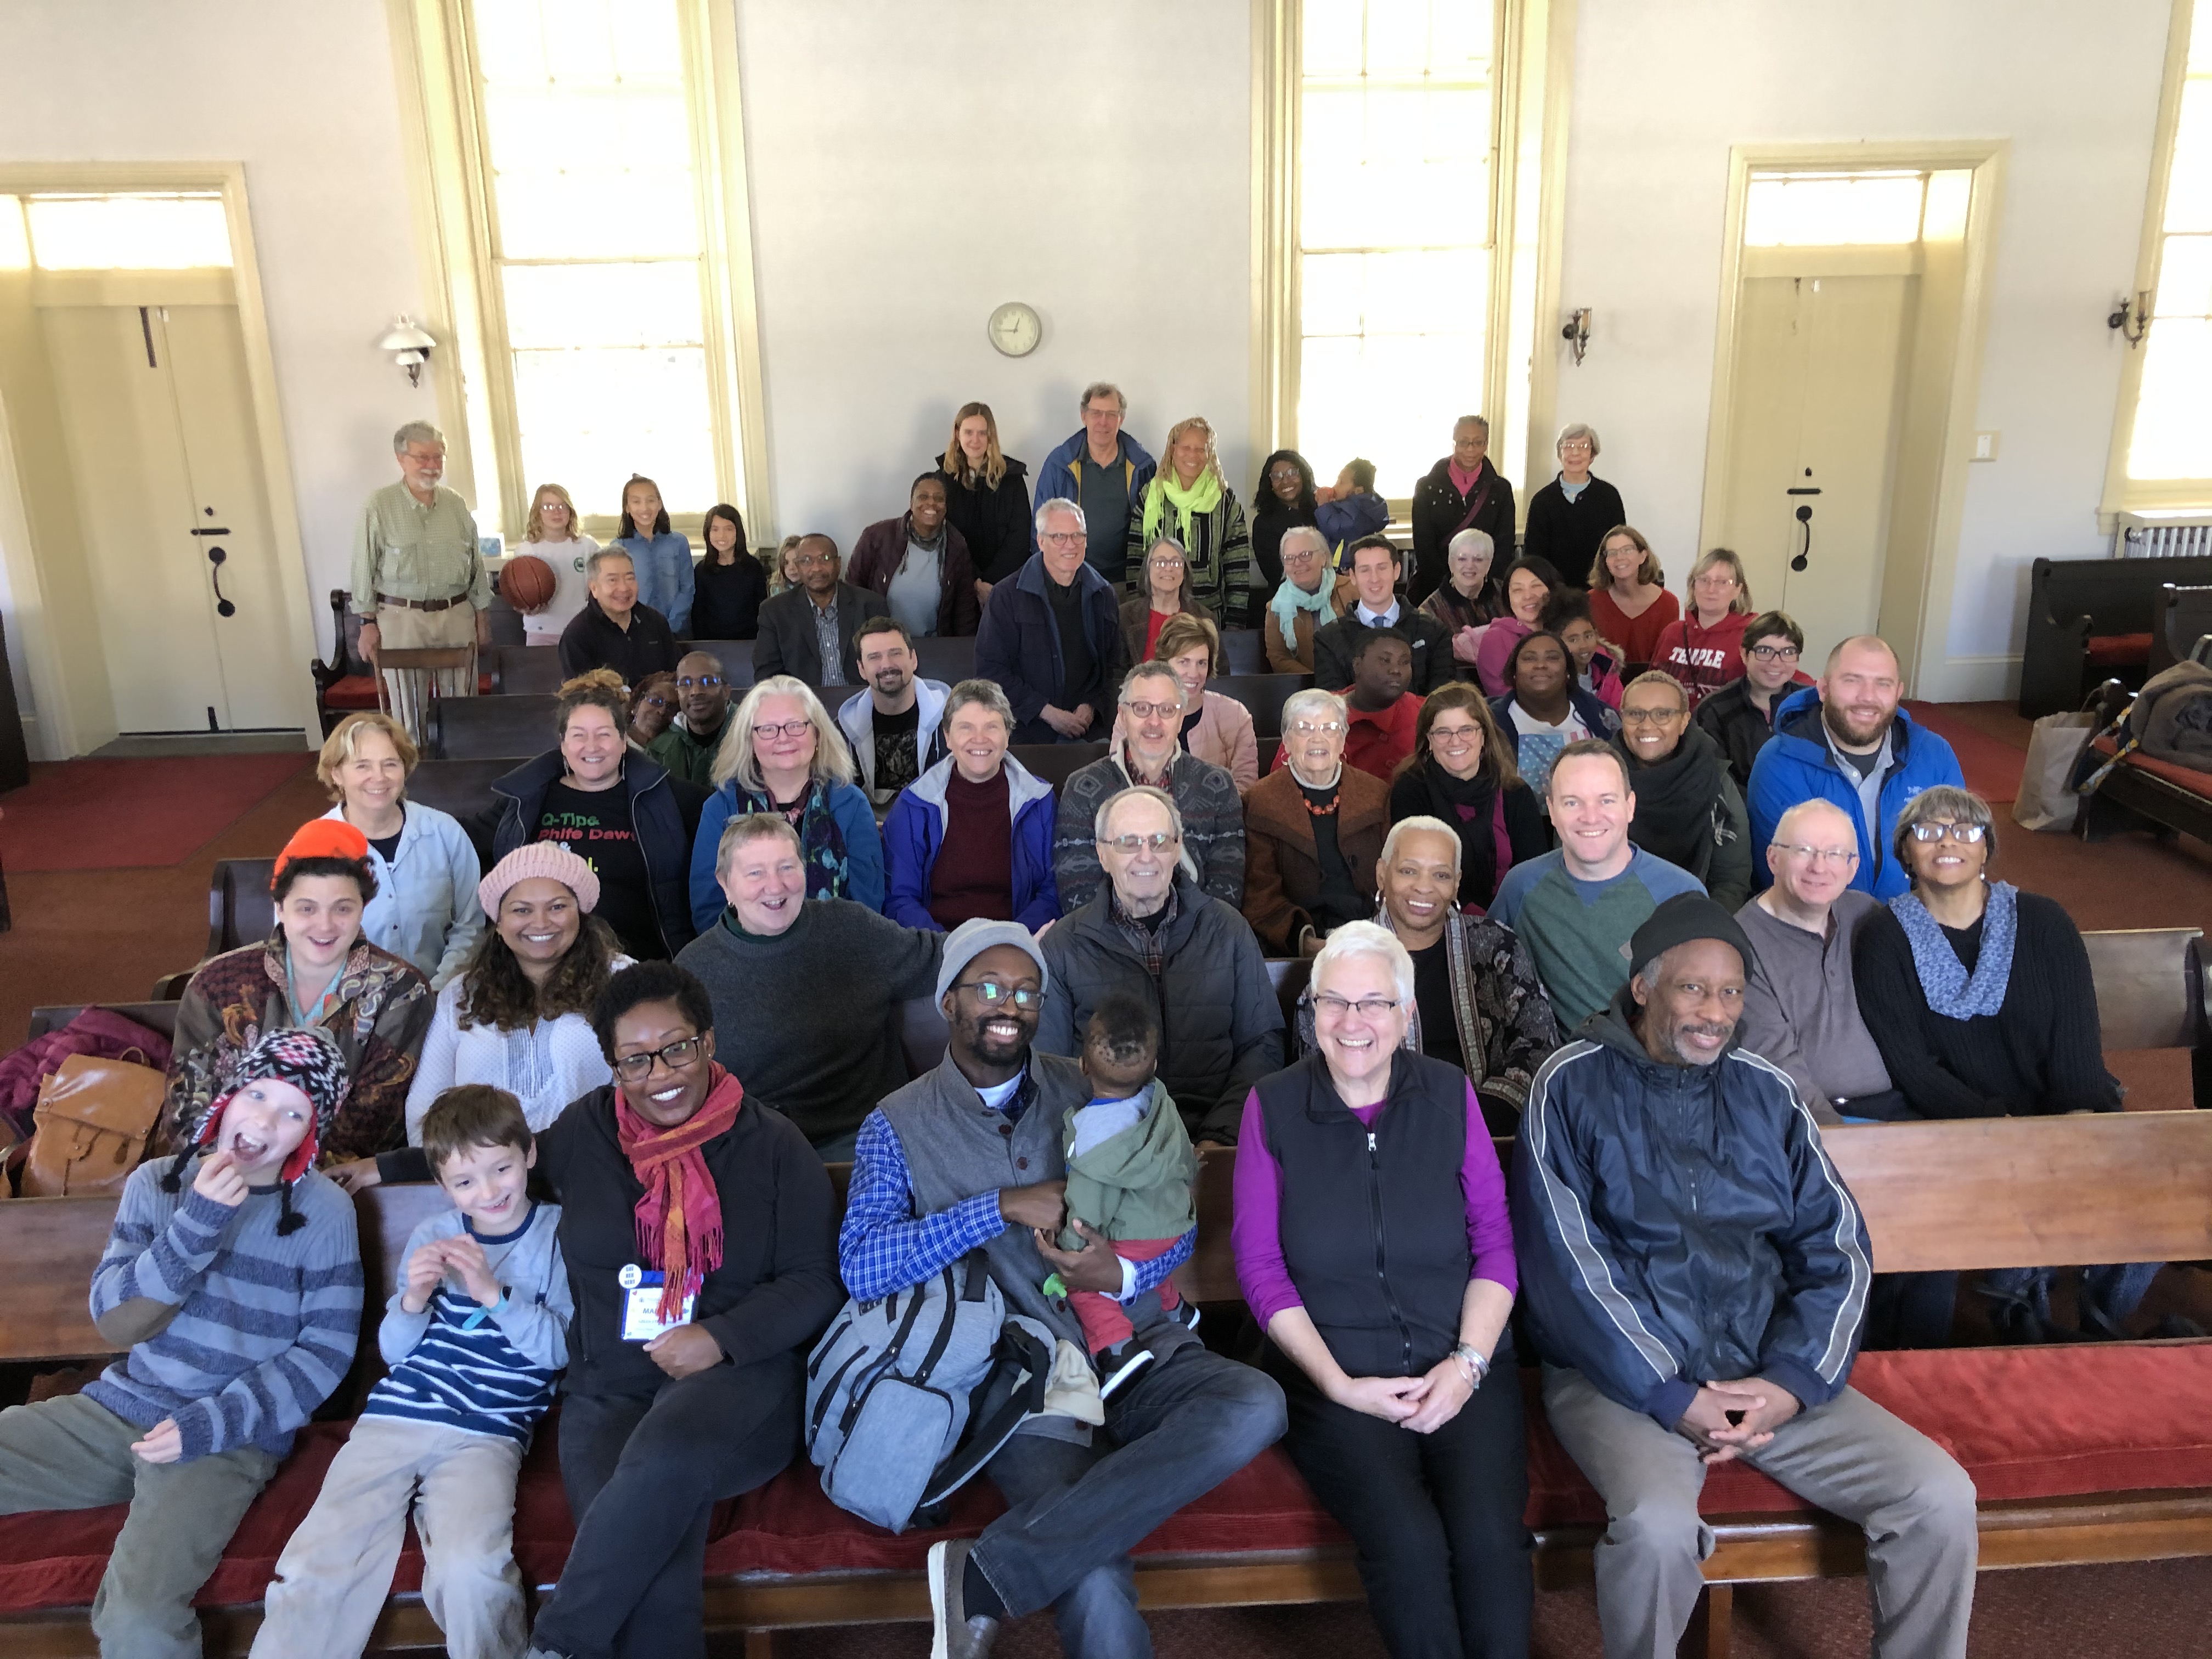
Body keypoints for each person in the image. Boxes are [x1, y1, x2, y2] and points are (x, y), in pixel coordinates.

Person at [1514, 894, 1978, 1659]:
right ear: (1642, 988)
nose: (1716, 1012)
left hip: (1767, 1373)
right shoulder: (1568, 1086)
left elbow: (1837, 1250)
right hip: (1624, 1384)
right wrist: (1674, 1394)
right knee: (1658, 1530)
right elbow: (1569, 1271)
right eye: (1693, 988)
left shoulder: (1767, 1091)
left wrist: (1791, 1383)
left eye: (1731, 992)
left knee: (1938, 1496)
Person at [840, 919, 1285, 1659]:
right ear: (949, 1001)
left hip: (1141, 1342)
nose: (1007, 1003)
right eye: (988, 987)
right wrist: (998, 1209)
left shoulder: (1101, 1082)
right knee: (1093, 1573)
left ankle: (986, 1574)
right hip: (1028, 1385)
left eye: (1025, 990)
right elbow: (863, 1265)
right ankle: (1059, 1538)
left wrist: (1124, 1273)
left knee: (1256, 1404)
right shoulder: (897, 1124)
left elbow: (1174, 1215)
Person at [0, 1029, 363, 1658]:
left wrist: (208, 1425)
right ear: (228, 1098)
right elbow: (117, 1323)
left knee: (137, 1619)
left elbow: (323, 1355)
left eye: (293, 1111)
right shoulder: (157, 1185)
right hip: (121, 1410)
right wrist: (197, 1224)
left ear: (310, 1133)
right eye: (257, 1094)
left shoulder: (325, 1213)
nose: (265, 1120)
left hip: (225, 1438)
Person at [523, 962, 840, 1658]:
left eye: (677, 1047)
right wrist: (382, 1169)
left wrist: (719, 1338)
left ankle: (556, 1645)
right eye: (635, 1060)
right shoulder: (583, 1134)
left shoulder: (774, 1144)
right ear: (612, 1067)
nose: (660, 1073)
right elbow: (493, 1158)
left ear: (708, 1042)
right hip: (608, 1386)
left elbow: (816, 1282)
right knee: (648, 1538)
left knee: (661, 1466)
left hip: (740, 1379)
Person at [1233, 921, 1531, 1658]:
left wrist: (1467, 1366)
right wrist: (1337, 1385)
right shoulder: (1271, 1107)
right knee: (1408, 1545)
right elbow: (1260, 1267)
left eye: (1375, 1004)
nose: (1354, 1022)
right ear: (1312, 1014)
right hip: (1333, 1376)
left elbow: (1495, 1247)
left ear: (1405, 1016)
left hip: (1462, 1362)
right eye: (1335, 1003)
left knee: (1492, 1543)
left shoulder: (1449, 1094)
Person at [251, 1085, 568, 1659]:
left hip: (488, 1432)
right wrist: (414, 1300)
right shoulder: (433, 1235)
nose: (490, 1191)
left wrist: (495, 1296)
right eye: (466, 1182)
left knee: (472, 1567)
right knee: (313, 1563)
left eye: (502, 1168)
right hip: (395, 1419)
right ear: (444, 1187)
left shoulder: (555, 1236)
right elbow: (396, 1353)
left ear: (529, 1156)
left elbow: (556, 1351)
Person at [1853, 787, 2154, 1343]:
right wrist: (2000, 1126)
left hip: (2065, 1108)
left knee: (2149, 1185)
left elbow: (2077, 1042)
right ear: (1905, 853)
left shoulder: (2043, 922)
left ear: (1986, 849)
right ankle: (2020, 1308)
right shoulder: (1885, 938)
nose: (1948, 841)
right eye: (1928, 832)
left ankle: (2104, 1314)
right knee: (2007, 1188)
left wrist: (2075, 1117)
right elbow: (1912, 1067)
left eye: (1966, 831)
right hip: (1964, 1122)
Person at [167, 820, 434, 1164]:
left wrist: (279, 1174)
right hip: (217, 1169)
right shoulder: (219, 982)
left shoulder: (401, 991)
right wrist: (230, 1169)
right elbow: (188, 1102)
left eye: (343, 908)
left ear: (363, 910)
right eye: (307, 908)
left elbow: (375, 1122)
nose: (325, 925)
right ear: (280, 909)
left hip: (333, 1180)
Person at [679, 814, 942, 1159]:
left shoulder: (849, 926)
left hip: (873, 1138)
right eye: (755, 873)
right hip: (760, 1151)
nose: (775, 887)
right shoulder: (692, 971)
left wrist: (1020, 944)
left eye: (787, 867)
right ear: (725, 884)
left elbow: (943, 955)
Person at [1039, 786, 1284, 1144]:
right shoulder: (1063, 944)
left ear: (1177, 849)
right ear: (1103, 855)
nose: (1146, 856)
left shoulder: (1227, 928)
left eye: (1158, 841)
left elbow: (1262, 1044)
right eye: (1127, 842)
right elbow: (1051, 1068)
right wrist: (1117, 1143)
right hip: (1111, 1149)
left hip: (1218, 1135)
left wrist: (1222, 1136)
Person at [399, 842, 628, 1153]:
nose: (541, 923)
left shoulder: (623, 981)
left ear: (582, 913)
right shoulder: (461, 995)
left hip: (596, 1168)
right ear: (499, 924)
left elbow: (645, 1085)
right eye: (521, 910)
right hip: (483, 1182)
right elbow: (425, 1109)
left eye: (558, 907)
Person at [489, 670, 708, 962]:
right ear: (563, 744)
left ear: (623, 740)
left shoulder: (665, 796)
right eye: (579, 736)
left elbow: (728, 825)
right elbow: (458, 840)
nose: (592, 747)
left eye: (604, 735)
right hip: (549, 960)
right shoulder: (525, 799)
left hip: (641, 961)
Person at [1488, 742, 1706, 1030]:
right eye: (1572, 802)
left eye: (1606, 800)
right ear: (1551, 811)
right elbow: (1487, 978)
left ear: (1630, 806)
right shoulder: (1521, 887)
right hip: (1555, 1066)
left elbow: (1702, 1006)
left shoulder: (1681, 895)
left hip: (1650, 1064)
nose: (1590, 817)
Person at [1369, 819, 1560, 1135]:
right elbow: (1321, 1056)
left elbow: (1539, 1041)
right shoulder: (1346, 956)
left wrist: (1472, 1122)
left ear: (1456, 883)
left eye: (1441, 875)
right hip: (1384, 1142)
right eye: (1409, 870)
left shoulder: (1496, 945)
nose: (1424, 886)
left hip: (1489, 1132)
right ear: (1382, 874)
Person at [1055, 994, 1201, 1395]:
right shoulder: (1160, 1101)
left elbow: (1086, 1210)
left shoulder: (1089, 1140)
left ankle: (1119, 1350)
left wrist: (1072, 1251)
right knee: (1152, 1257)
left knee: (1084, 1286)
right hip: (1179, 1226)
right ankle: (1177, 1311)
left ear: (1083, 1066)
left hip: (1137, 1244)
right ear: (1153, 1065)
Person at [1747, 635, 1965, 899]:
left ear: (1898, 693)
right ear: (1824, 689)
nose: (1868, 697)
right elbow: (1782, 877)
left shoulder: (1933, 755)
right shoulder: (1780, 762)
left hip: (1914, 922)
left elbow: (1956, 857)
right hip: (1818, 925)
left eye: (1883, 684)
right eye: (1852, 681)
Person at [1735, 799, 1896, 1126]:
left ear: (1853, 868)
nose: (1819, 867)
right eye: (1803, 850)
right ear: (1773, 859)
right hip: (1822, 1120)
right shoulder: (1740, 944)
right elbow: (1777, 1067)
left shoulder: (1867, 915)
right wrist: (1838, 1139)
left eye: (1836, 854)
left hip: (1903, 1106)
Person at [687, 675, 883, 928]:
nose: (783, 738)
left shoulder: (850, 803)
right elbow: (708, 910)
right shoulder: (721, 808)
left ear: (817, 735)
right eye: (768, 729)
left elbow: (869, 907)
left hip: (837, 955)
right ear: (750, 742)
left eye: (796, 725)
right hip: (745, 957)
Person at [1053, 662, 1245, 913]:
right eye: (1142, 708)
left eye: (1167, 709)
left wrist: (1183, 940)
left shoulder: (1218, 785)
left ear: (1181, 717)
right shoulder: (1082, 788)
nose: (1154, 721)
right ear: (1123, 715)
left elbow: (1227, 890)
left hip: (1199, 941)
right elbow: (1078, 894)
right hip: (1108, 943)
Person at [317, 711, 483, 992]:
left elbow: (469, 927)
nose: (379, 777)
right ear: (337, 774)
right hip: (345, 1004)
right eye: (362, 766)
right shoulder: (315, 845)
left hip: (439, 998)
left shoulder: (444, 831)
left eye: (390, 764)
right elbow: (301, 941)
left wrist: (435, 993)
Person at [351, 420, 491, 744]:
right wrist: (366, 623)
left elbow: (476, 566)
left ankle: (461, 774)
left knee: (462, 709)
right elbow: (363, 566)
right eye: (422, 457)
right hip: (402, 620)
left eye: (438, 457)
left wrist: (482, 618)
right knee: (407, 716)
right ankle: (413, 781)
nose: (432, 465)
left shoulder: (456, 504)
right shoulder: (379, 505)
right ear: (401, 459)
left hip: (456, 615)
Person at [883, 679, 1060, 933]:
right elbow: (900, 900)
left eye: (992, 727)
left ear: (1008, 736)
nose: (980, 739)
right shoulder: (914, 804)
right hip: (936, 947)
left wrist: (1010, 941)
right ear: (947, 736)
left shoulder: (1040, 801)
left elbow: (1054, 891)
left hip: (1018, 943)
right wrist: (946, 947)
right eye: (966, 728)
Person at [1242, 688, 1389, 957]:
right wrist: (1306, 943)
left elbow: (1394, 873)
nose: (1317, 738)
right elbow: (1259, 894)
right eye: (1304, 728)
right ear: (1286, 740)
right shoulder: (1260, 802)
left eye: (1330, 728)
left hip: (1375, 935)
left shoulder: (1377, 795)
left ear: (1343, 739)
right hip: (1300, 944)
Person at [975, 499, 1128, 744]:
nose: (1070, 545)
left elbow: (1114, 666)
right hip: (1025, 731)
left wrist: (1092, 705)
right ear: (1041, 541)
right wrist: (1046, 712)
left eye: (1078, 535)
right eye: (1059, 536)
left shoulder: (1104, 594)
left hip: (1088, 731)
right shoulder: (1007, 596)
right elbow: (991, 671)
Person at [1386, 684, 1548, 912]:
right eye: (1443, 732)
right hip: (1437, 917)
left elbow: (1533, 877)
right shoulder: (1411, 791)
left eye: (1466, 730)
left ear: (1484, 736)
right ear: (1429, 741)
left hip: (1512, 917)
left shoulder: (1515, 794)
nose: (1455, 741)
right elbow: (1417, 877)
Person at [1614, 670, 1753, 911]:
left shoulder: (1715, 780)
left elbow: (1731, 878)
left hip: (1697, 918)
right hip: (1612, 915)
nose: (1647, 725)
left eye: (1663, 714)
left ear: (1684, 721)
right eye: (1635, 714)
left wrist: (1700, 932)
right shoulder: (1600, 777)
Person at [1125, 415, 1253, 628]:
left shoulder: (1225, 501)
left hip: (1207, 616)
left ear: (1209, 454)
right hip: (1156, 613)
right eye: (1186, 447)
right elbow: (1136, 557)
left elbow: (1237, 567)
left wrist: (1235, 623)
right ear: (1173, 450)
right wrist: (1135, 611)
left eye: (1201, 449)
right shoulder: (1151, 496)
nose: (1192, 455)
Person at [1034, 381, 1159, 582]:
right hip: (1074, 579)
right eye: (1096, 413)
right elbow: (1039, 528)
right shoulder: (1059, 464)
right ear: (1084, 417)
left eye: (1111, 414)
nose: (1103, 422)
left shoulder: (1142, 466)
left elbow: (1154, 527)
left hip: (1127, 582)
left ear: (1122, 419)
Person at [1488, 628, 1620, 802]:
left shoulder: (1605, 718)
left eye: (1552, 657)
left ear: (1568, 671)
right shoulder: (1489, 723)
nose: (1541, 665)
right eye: (1529, 659)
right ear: (1514, 672)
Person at [1313, 535, 1453, 696]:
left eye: (1382, 568)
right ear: (1353, 576)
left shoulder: (1434, 631)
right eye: (1365, 570)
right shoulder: (1328, 639)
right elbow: (1334, 705)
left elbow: (1442, 700)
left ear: (1396, 571)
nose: (1374, 578)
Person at [847, 472, 981, 640]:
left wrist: (967, 651)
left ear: (946, 507)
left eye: (939, 498)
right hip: (882, 643)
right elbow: (853, 590)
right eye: (923, 497)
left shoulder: (957, 547)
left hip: (933, 646)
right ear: (911, 503)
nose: (931, 503)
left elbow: (965, 609)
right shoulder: (877, 536)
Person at [837, 616, 951, 806]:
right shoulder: (842, 732)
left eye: (895, 653)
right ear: (862, 669)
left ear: (913, 659)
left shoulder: (951, 719)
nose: (887, 665)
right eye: (874, 657)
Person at [1695, 610, 1813, 788]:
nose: (1776, 662)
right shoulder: (1714, 710)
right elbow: (1718, 783)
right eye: (1764, 651)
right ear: (1744, 655)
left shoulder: (1813, 705)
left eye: (1788, 652)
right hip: (1741, 812)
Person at [752, 533, 889, 688]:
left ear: (838, 564)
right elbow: (767, 673)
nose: (816, 568)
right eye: (806, 561)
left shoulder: (870, 605)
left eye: (824, 559)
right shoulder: (774, 612)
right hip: (803, 704)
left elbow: (886, 663)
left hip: (861, 700)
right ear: (797, 567)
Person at [1409, 414, 1516, 606]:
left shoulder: (1501, 489)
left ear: (1486, 444)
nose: (1470, 449)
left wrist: (1481, 586)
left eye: (1477, 443)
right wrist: (1449, 587)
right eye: (1463, 442)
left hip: (1485, 592)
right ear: (1454, 444)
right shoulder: (1426, 487)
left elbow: (1504, 544)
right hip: (1436, 589)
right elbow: (1424, 544)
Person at [936, 401, 1034, 594]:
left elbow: (1019, 538)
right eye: (969, 432)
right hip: (959, 584)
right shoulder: (942, 480)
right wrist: (975, 583)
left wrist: (990, 583)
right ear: (957, 434)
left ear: (991, 436)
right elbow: (945, 538)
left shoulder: (1012, 479)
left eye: (983, 433)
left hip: (1006, 584)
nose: (976, 440)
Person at [1155, 611, 1256, 791]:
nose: (1194, 673)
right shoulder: (1136, 712)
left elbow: (1246, 785)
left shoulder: (1236, 715)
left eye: (1201, 663)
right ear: (1165, 663)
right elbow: (1122, 777)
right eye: (1184, 662)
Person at [1520, 423, 1626, 592]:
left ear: (1593, 455)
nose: (1575, 453)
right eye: (1568, 446)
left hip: (1600, 591)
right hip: (1554, 594)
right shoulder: (1542, 501)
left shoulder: (1609, 496)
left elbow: (1618, 547)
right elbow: (1534, 557)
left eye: (1583, 447)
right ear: (1560, 454)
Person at [557, 547, 680, 685]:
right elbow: (581, 695)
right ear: (594, 588)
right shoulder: (577, 635)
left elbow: (674, 675)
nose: (624, 588)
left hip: (657, 704)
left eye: (630, 578)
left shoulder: (656, 621)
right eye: (612, 580)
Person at [1650, 547, 1754, 708]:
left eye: (1722, 582)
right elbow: (1651, 685)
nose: (1711, 589)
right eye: (1704, 580)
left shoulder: (1751, 636)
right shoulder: (1672, 633)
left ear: (1738, 590)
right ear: (1693, 586)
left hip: (1721, 729)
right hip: (1669, 725)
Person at [1265, 524, 1356, 675]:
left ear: (1323, 557)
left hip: (1353, 683)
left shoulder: (1351, 590)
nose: (1298, 563)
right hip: (1306, 689)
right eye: (1289, 558)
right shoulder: (1275, 608)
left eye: (1306, 555)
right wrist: (1317, 682)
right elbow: (1278, 658)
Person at [1585, 524, 1678, 672]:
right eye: (1612, 553)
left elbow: (1668, 659)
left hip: (1652, 684)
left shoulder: (1668, 603)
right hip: (1603, 684)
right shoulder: (1591, 601)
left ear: (1643, 556)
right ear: (1605, 561)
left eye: (1627, 550)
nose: (1620, 557)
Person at [1473, 554, 1567, 696]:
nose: (1528, 596)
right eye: (1518, 590)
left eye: (1536, 586)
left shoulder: (1569, 628)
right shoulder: (1496, 639)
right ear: (1507, 598)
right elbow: (1505, 697)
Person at [1335, 629, 1423, 782]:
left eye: (1405, 662)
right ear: (1357, 665)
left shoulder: (1426, 711)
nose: (1396, 670)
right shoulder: (1319, 713)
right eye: (1385, 660)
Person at [612, 473, 694, 637]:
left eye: (650, 500)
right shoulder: (619, 548)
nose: (644, 508)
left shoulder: (678, 542)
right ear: (627, 508)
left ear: (659, 504)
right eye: (636, 502)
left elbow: (688, 588)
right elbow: (621, 593)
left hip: (677, 632)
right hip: (638, 632)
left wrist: (671, 625)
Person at [514, 482, 596, 646]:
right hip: (541, 630)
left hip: (581, 629)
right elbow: (518, 595)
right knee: (544, 672)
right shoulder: (526, 550)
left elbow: (600, 587)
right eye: (548, 506)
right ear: (537, 513)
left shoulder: (587, 546)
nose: (556, 511)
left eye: (562, 506)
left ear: (570, 512)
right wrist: (525, 607)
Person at [1119, 535, 1221, 667]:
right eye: (1161, 563)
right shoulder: (1124, 616)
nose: (1168, 569)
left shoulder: (1204, 618)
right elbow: (1116, 675)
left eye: (1176, 563)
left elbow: (1218, 673)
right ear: (1148, 570)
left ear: (1185, 572)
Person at [1421, 527, 1506, 679]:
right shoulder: (1430, 611)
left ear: (1489, 564)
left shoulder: (1507, 595)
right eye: (1462, 558)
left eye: (1478, 559)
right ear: (1451, 563)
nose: (1470, 566)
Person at [645, 650, 733, 787]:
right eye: (686, 684)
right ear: (678, 693)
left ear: (726, 692)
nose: (696, 692)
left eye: (708, 682)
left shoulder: (751, 736)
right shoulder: (658, 752)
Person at [1248, 448, 1319, 600]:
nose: (1286, 481)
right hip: (1288, 604)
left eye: (1293, 473)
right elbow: (1276, 575)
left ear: (1304, 475)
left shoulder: (1323, 511)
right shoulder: (1264, 523)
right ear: (1270, 484)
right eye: (1277, 476)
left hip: (1332, 596)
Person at [689, 502, 766, 641]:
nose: (722, 536)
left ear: (738, 532)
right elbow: (698, 616)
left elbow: (761, 610)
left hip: (749, 642)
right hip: (713, 644)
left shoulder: (753, 567)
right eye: (715, 529)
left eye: (729, 529)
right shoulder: (702, 571)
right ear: (708, 533)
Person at [1547, 588, 1627, 710]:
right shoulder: (1552, 680)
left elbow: (1621, 709)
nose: (1584, 645)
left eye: (1588, 636)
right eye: (1573, 640)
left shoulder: (1607, 669)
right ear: (1556, 642)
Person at [1314, 458, 1389, 567]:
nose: (1335, 486)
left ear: (1358, 491)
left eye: (1341, 482)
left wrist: (1324, 506)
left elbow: (1337, 528)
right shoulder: (1360, 505)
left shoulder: (1358, 512)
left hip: (1344, 564)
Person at [626, 671, 678, 752]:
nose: (662, 711)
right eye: (656, 700)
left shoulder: (674, 757)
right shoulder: (613, 744)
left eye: (671, 708)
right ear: (638, 702)